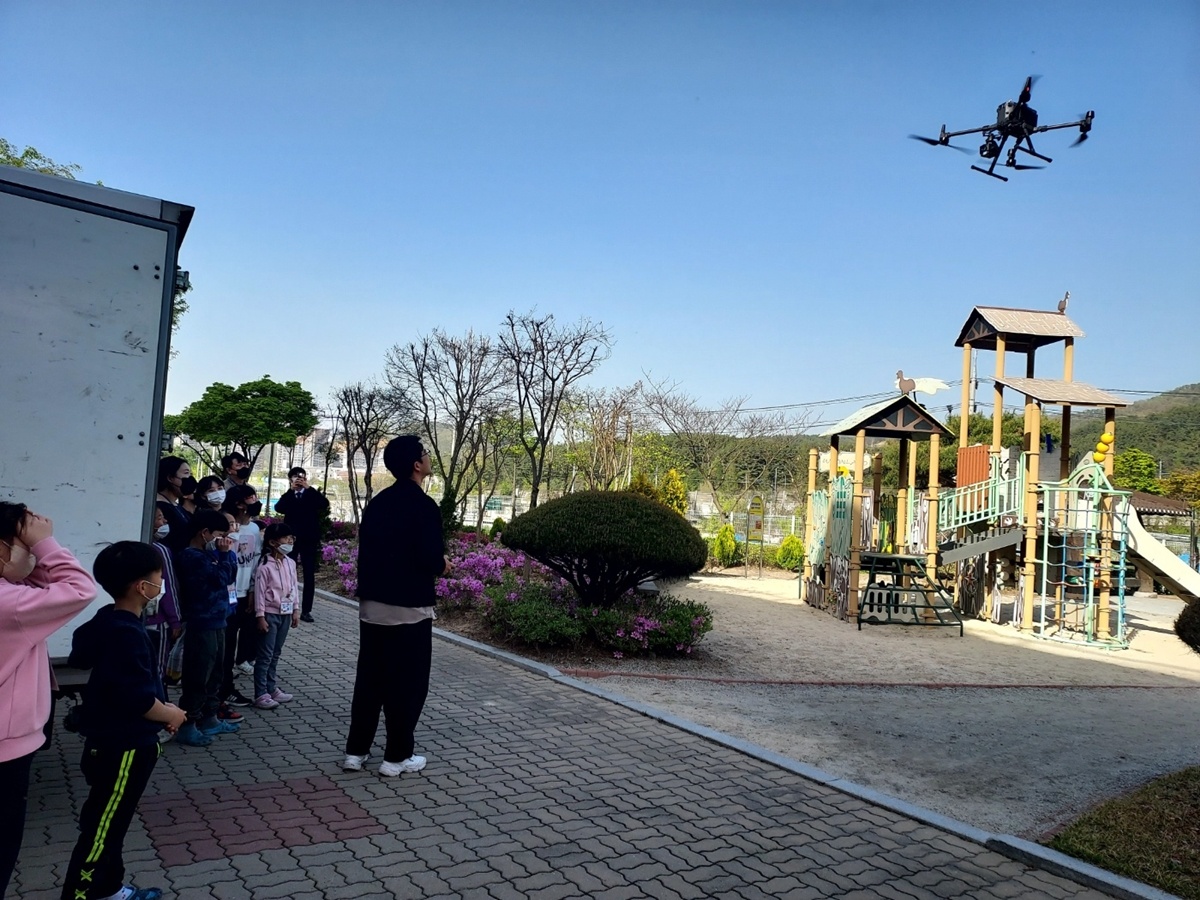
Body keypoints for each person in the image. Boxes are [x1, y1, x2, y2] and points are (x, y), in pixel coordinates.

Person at [61, 541, 186, 900]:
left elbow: (86, 659)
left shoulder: (108, 620)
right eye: (159, 577)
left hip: (111, 742)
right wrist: (171, 713)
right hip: (125, 749)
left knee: (110, 823)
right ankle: (80, 894)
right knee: (101, 830)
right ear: (142, 587)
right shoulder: (126, 633)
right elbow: (138, 699)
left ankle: (110, 888)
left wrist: (160, 710)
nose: (162, 584)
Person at [0, 504, 96, 899]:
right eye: (27, 547)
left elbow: (38, 588)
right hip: (5, 752)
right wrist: (47, 545)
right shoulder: (9, 604)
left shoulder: (11, 598)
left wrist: (30, 551)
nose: (35, 556)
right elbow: (79, 590)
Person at [343, 436, 449, 778]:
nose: (429, 457)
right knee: (407, 683)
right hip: (409, 608)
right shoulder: (424, 506)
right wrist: (443, 565)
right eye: (425, 453)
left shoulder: (378, 503)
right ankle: (397, 757)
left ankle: (356, 751)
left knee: (370, 680)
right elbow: (430, 557)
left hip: (372, 606)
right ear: (417, 465)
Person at [173, 509, 240, 747]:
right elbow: (220, 578)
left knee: (215, 673)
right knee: (198, 675)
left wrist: (225, 556)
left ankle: (209, 717)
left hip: (219, 620)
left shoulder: (210, 555)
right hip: (202, 623)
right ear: (205, 533)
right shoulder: (192, 557)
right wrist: (224, 555)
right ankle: (188, 723)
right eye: (220, 535)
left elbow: (230, 575)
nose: (224, 540)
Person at [219, 486, 262, 709]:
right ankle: (223, 688)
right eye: (250, 498)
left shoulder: (254, 529)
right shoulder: (224, 525)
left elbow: (254, 561)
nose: (255, 502)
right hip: (225, 594)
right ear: (239, 503)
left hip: (245, 594)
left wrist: (253, 591)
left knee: (240, 639)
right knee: (225, 645)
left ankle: (227, 682)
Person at [252, 523, 301, 709]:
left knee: (276, 653)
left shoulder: (290, 563)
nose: (290, 541)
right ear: (273, 542)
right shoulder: (264, 565)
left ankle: (271, 688)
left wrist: (296, 609)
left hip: (286, 614)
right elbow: (259, 592)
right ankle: (260, 693)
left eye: (291, 538)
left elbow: (294, 587)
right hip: (270, 614)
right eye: (286, 538)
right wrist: (260, 616)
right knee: (265, 655)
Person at [273, 467, 329, 623]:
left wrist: (308, 488)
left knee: (309, 574)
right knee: (288, 571)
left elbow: (324, 504)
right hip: (290, 539)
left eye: (301, 477)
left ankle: (306, 610)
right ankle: (288, 604)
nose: (299, 480)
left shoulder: (311, 493)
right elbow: (278, 508)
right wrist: (291, 491)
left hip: (309, 540)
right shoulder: (289, 495)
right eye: (296, 477)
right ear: (290, 480)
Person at [145, 506, 182, 691]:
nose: (165, 522)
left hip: (138, 618)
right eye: (160, 518)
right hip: (158, 620)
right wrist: (175, 620)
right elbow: (169, 587)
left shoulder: (134, 548)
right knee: (158, 669)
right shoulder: (160, 551)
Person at [155, 457, 193, 553]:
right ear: (170, 478)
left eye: (190, 474)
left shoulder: (175, 504)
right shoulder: (159, 506)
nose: (189, 479)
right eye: (186, 473)